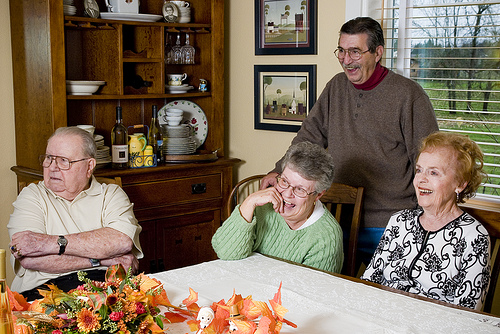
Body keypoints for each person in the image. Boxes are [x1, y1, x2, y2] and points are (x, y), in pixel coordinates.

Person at [260, 17, 439, 267]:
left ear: (378, 53)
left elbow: (430, 163)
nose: (346, 60)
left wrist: (428, 216)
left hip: (389, 225)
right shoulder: (336, 86)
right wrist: (279, 170)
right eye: (341, 51)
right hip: (336, 215)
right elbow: (308, 137)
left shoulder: (409, 95)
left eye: (355, 51)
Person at [8, 127, 143, 301]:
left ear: (89, 166)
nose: (53, 167)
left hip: (105, 287)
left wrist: (47, 243)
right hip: (43, 292)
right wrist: (102, 260)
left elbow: (122, 241)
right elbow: (28, 258)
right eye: (49, 158)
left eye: (64, 161)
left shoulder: (111, 194)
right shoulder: (31, 195)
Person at [361, 132, 490, 310]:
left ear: (460, 183)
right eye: (419, 170)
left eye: (434, 173)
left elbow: (468, 313)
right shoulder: (399, 222)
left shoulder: (474, 236)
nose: (421, 180)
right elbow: (369, 282)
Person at [212, 142, 343, 273]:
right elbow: (225, 253)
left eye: (300, 189)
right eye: (284, 181)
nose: (286, 194)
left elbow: (309, 290)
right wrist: (249, 202)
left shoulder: (326, 236)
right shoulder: (261, 207)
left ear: (318, 195)